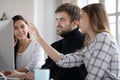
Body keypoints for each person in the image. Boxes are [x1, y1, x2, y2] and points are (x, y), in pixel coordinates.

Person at [28, 3, 120, 80]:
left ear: (92, 18)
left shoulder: (103, 38)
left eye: (82, 17)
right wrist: (39, 38)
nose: (79, 22)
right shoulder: (91, 43)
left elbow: (93, 77)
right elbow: (64, 61)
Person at [23, 3, 87, 80]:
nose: (57, 23)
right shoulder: (56, 45)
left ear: (75, 22)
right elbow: (45, 70)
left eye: (62, 19)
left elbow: (63, 66)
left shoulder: (84, 42)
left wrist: (39, 39)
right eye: (57, 19)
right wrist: (20, 75)